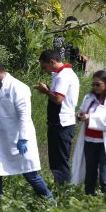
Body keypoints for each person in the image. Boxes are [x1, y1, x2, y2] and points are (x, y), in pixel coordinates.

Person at [0, 58, 53, 199]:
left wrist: (22, 138)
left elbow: (24, 116)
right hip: (1, 142)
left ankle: (49, 201)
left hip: (19, 140)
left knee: (30, 175)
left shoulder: (18, 88)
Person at [70, 71, 106, 198]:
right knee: (89, 175)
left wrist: (90, 117)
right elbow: (83, 111)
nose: (95, 87)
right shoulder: (89, 97)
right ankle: (88, 201)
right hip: (89, 140)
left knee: (104, 176)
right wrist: (80, 116)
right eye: (93, 84)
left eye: (98, 84)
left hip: (105, 143)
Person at [35, 49, 80, 186]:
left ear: (52, 62)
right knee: (57, 161)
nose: (45, 70)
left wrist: (46, 91)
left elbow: (59, 99)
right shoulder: (63, 74)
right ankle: (60, 187)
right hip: (61, 123)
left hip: (62, 124)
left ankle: (64, 190)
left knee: (60, 162)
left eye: (45, 67)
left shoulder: (63, 76)